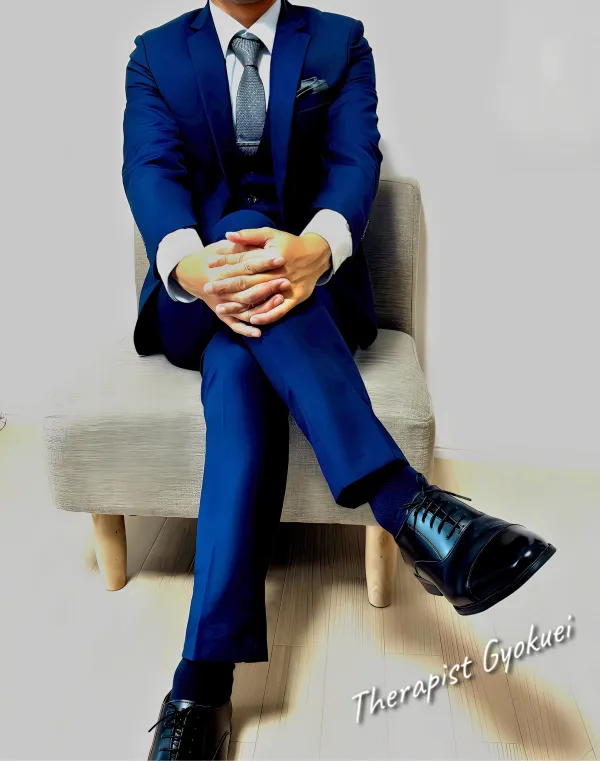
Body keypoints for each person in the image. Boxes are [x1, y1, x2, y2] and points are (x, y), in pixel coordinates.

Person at [122, 1, 556, 757]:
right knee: (236, 240)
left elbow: (355, 159)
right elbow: (149, 168)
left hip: (314, 297)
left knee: (239, 371)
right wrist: (192, 265)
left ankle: (200, 684)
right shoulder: (155, 53)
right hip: (196, 296)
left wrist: (317, 249)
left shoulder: (339, 41)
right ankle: (408, 505)